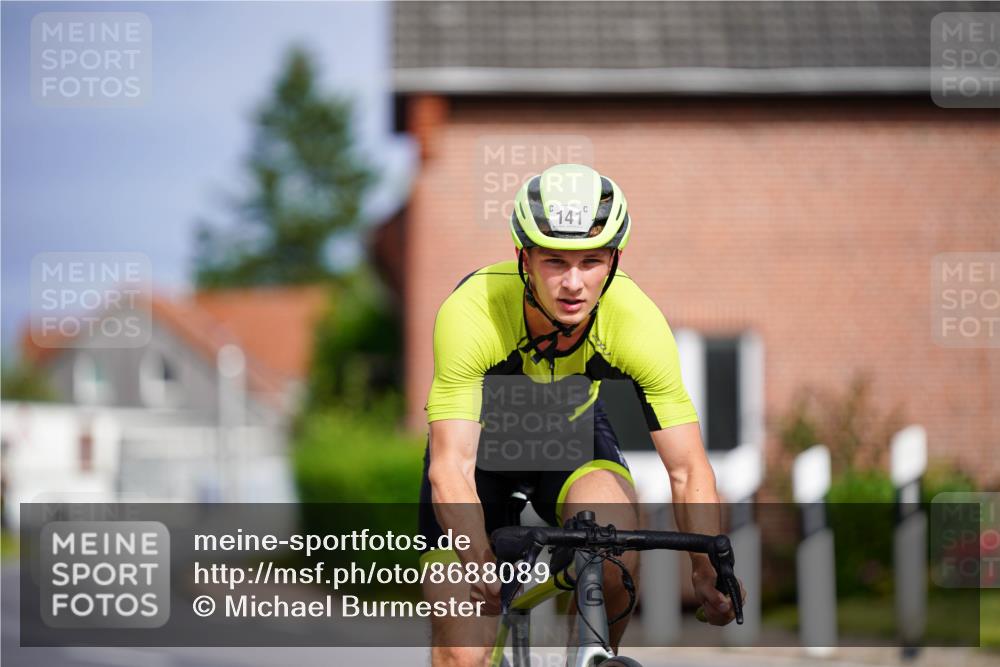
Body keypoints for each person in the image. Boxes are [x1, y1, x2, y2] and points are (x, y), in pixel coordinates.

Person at [419, 163, 745, 666]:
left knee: (612, 547)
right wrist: (477, 557)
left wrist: (705, 569)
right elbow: (450, 467)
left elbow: (687, 468)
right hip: (476, 460)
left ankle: (591, 656)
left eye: (592, 262)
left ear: (615, 260)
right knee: (463, 649)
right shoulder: (473, 312)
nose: (574, 284)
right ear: (523, 258)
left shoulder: (635, 321)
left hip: (567, 438)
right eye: (555, 262)